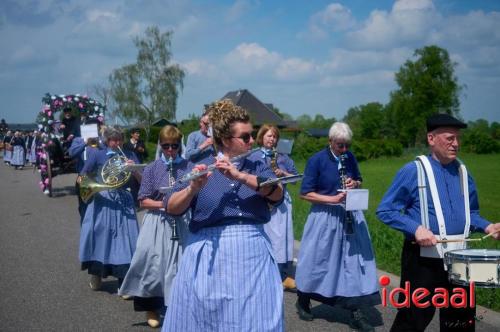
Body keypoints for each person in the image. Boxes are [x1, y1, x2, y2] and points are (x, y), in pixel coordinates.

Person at [162, 99, 285, 331]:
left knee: (256, 318)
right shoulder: (199, 166)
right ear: (226, 140)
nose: (252, 141)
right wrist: (192, 188)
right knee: (208, 318)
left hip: (252, 254)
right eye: (246, 137)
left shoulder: (257, 163)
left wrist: (239, 176)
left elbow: (277, 194)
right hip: (210, 253)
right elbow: (172, 207)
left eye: (252, 135)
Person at [376, 113, 500, 332]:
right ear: (431, 139)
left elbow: (471, 213)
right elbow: (386, 210)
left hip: (461, 259)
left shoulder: (464, 172)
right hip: (422, 261)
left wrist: (488, 226)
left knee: (461, 318)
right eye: (450, 138)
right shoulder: (412, 171)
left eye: (458, 139)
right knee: (413, 318)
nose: (456, 144)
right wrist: (415, 228)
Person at [294, 122, 380, 331]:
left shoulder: (349, 157)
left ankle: (355, 313)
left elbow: (359, 178)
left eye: (347, 145)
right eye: (340, 145)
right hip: (325, 216)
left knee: (352, 264)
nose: (344, 150)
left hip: (350, 215)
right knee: (317, 261)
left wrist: (354, 184)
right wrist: (332, 199)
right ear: (330, 141)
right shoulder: (316, 160)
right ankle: (303, 300)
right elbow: (305, 193)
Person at [119, 125, 190, 328]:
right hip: (157, 221)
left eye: (174, 146)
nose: (170, 150)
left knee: (179, 265)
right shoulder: (152, 167)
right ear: (161, 145)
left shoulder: (187, 166)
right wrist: (166, 204)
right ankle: (151, 307)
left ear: (179, 145)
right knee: (152, 263)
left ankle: (177, 307)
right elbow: (143, 201)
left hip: (181, 221)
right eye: (166, 146)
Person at [78, 126, 140, 292]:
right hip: (103, 199)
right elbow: (83, 175)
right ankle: (96, 274)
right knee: (101, 236)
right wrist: (88, 187)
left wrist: (134, 170)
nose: (116, 143)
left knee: (126, 239)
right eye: (113, 140)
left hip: (123, 199)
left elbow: (142, 180)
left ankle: (124, 281)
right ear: (106, 141)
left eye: (119, 139)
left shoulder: (130, 155)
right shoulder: (97, 154)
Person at [250, 124, 298, 291]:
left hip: (282, 202)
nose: (272, 139)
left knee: (281, 238)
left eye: (274, 136)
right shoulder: (253, 156)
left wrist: (283, 174)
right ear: (261, 137)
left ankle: (282, 274)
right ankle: (262, 273)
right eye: (268, 136)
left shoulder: (284, 158)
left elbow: (295, 178)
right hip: (260, 201)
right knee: (263, 236)